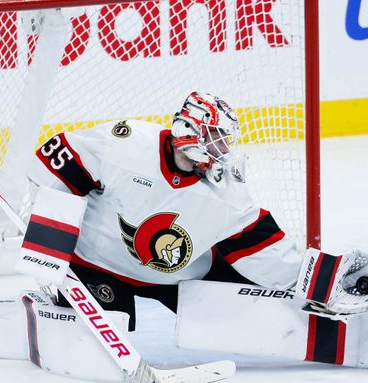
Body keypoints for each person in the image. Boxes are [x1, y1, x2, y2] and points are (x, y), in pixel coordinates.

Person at [24, 91, 300, 330]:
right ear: (190, 132)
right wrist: (49, 253)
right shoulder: (125, 145)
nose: (224, 149)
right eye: (217, 137)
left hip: (182, 279)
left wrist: (313, 282)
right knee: (92, 347)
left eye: (226, 140)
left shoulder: (228, 192)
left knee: (253, 316)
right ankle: (49, 311)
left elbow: (267, 251)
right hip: (97, 267)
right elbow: (52, 170)